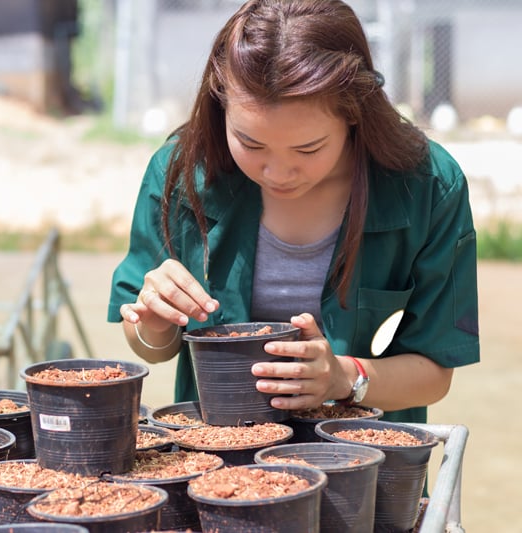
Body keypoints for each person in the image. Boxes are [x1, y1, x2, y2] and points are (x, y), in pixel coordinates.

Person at [107, 0, 479, 424]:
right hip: (220, 452)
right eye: (251, 144)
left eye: (308, 148)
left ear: (354, 114)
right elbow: (150, 345)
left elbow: (434, 372)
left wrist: (343, 377)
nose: (278, 172)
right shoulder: (181, 172)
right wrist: (155, 321)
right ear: (220, 104)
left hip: (361, 461)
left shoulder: (428, 184)